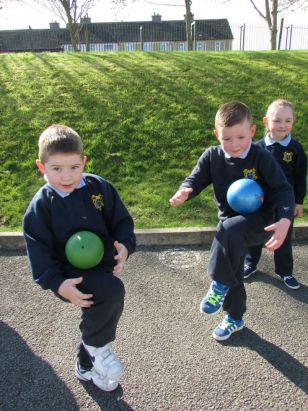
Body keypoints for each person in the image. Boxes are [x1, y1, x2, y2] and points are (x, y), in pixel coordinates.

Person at [23, 124, 136, 391]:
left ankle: (85, 365)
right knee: (110, 293)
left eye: (74, 167)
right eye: (57, 169)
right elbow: (37, 249)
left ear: (83, 161)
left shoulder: (99, 188)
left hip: (101, 265)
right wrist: (57, 283)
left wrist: (125, 246)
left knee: (100, 306)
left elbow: (121, 221)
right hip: (67, 275)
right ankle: (98, 348)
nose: (66, 176)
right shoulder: (42, 205)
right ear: (42, 167)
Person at [169, 101, 295, 341]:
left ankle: (218, 285)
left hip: (261, 222)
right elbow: (195, 179)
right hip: (230, 227)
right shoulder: (212, 156)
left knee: (226, 249)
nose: (234, 145)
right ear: (217, 134)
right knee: (232, 269)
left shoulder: (262, 157)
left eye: (240, 137)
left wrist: (285, 220)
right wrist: (185, 190)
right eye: (227, 139)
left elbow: (283, 189)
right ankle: (235, 318)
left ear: (252, 131)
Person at [244, 100, 307, 289]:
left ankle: (285, 271)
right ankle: (250, 263)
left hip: (285, 204)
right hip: (259, 202)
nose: (282, 125)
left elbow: (300, 177)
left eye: (288, 121)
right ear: (266, 121)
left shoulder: (295, 150)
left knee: (284, 238)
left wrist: (298, 202)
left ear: (293, 122)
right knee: (255, 233)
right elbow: (248, 174)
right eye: (277, 120)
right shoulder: (257, 148)